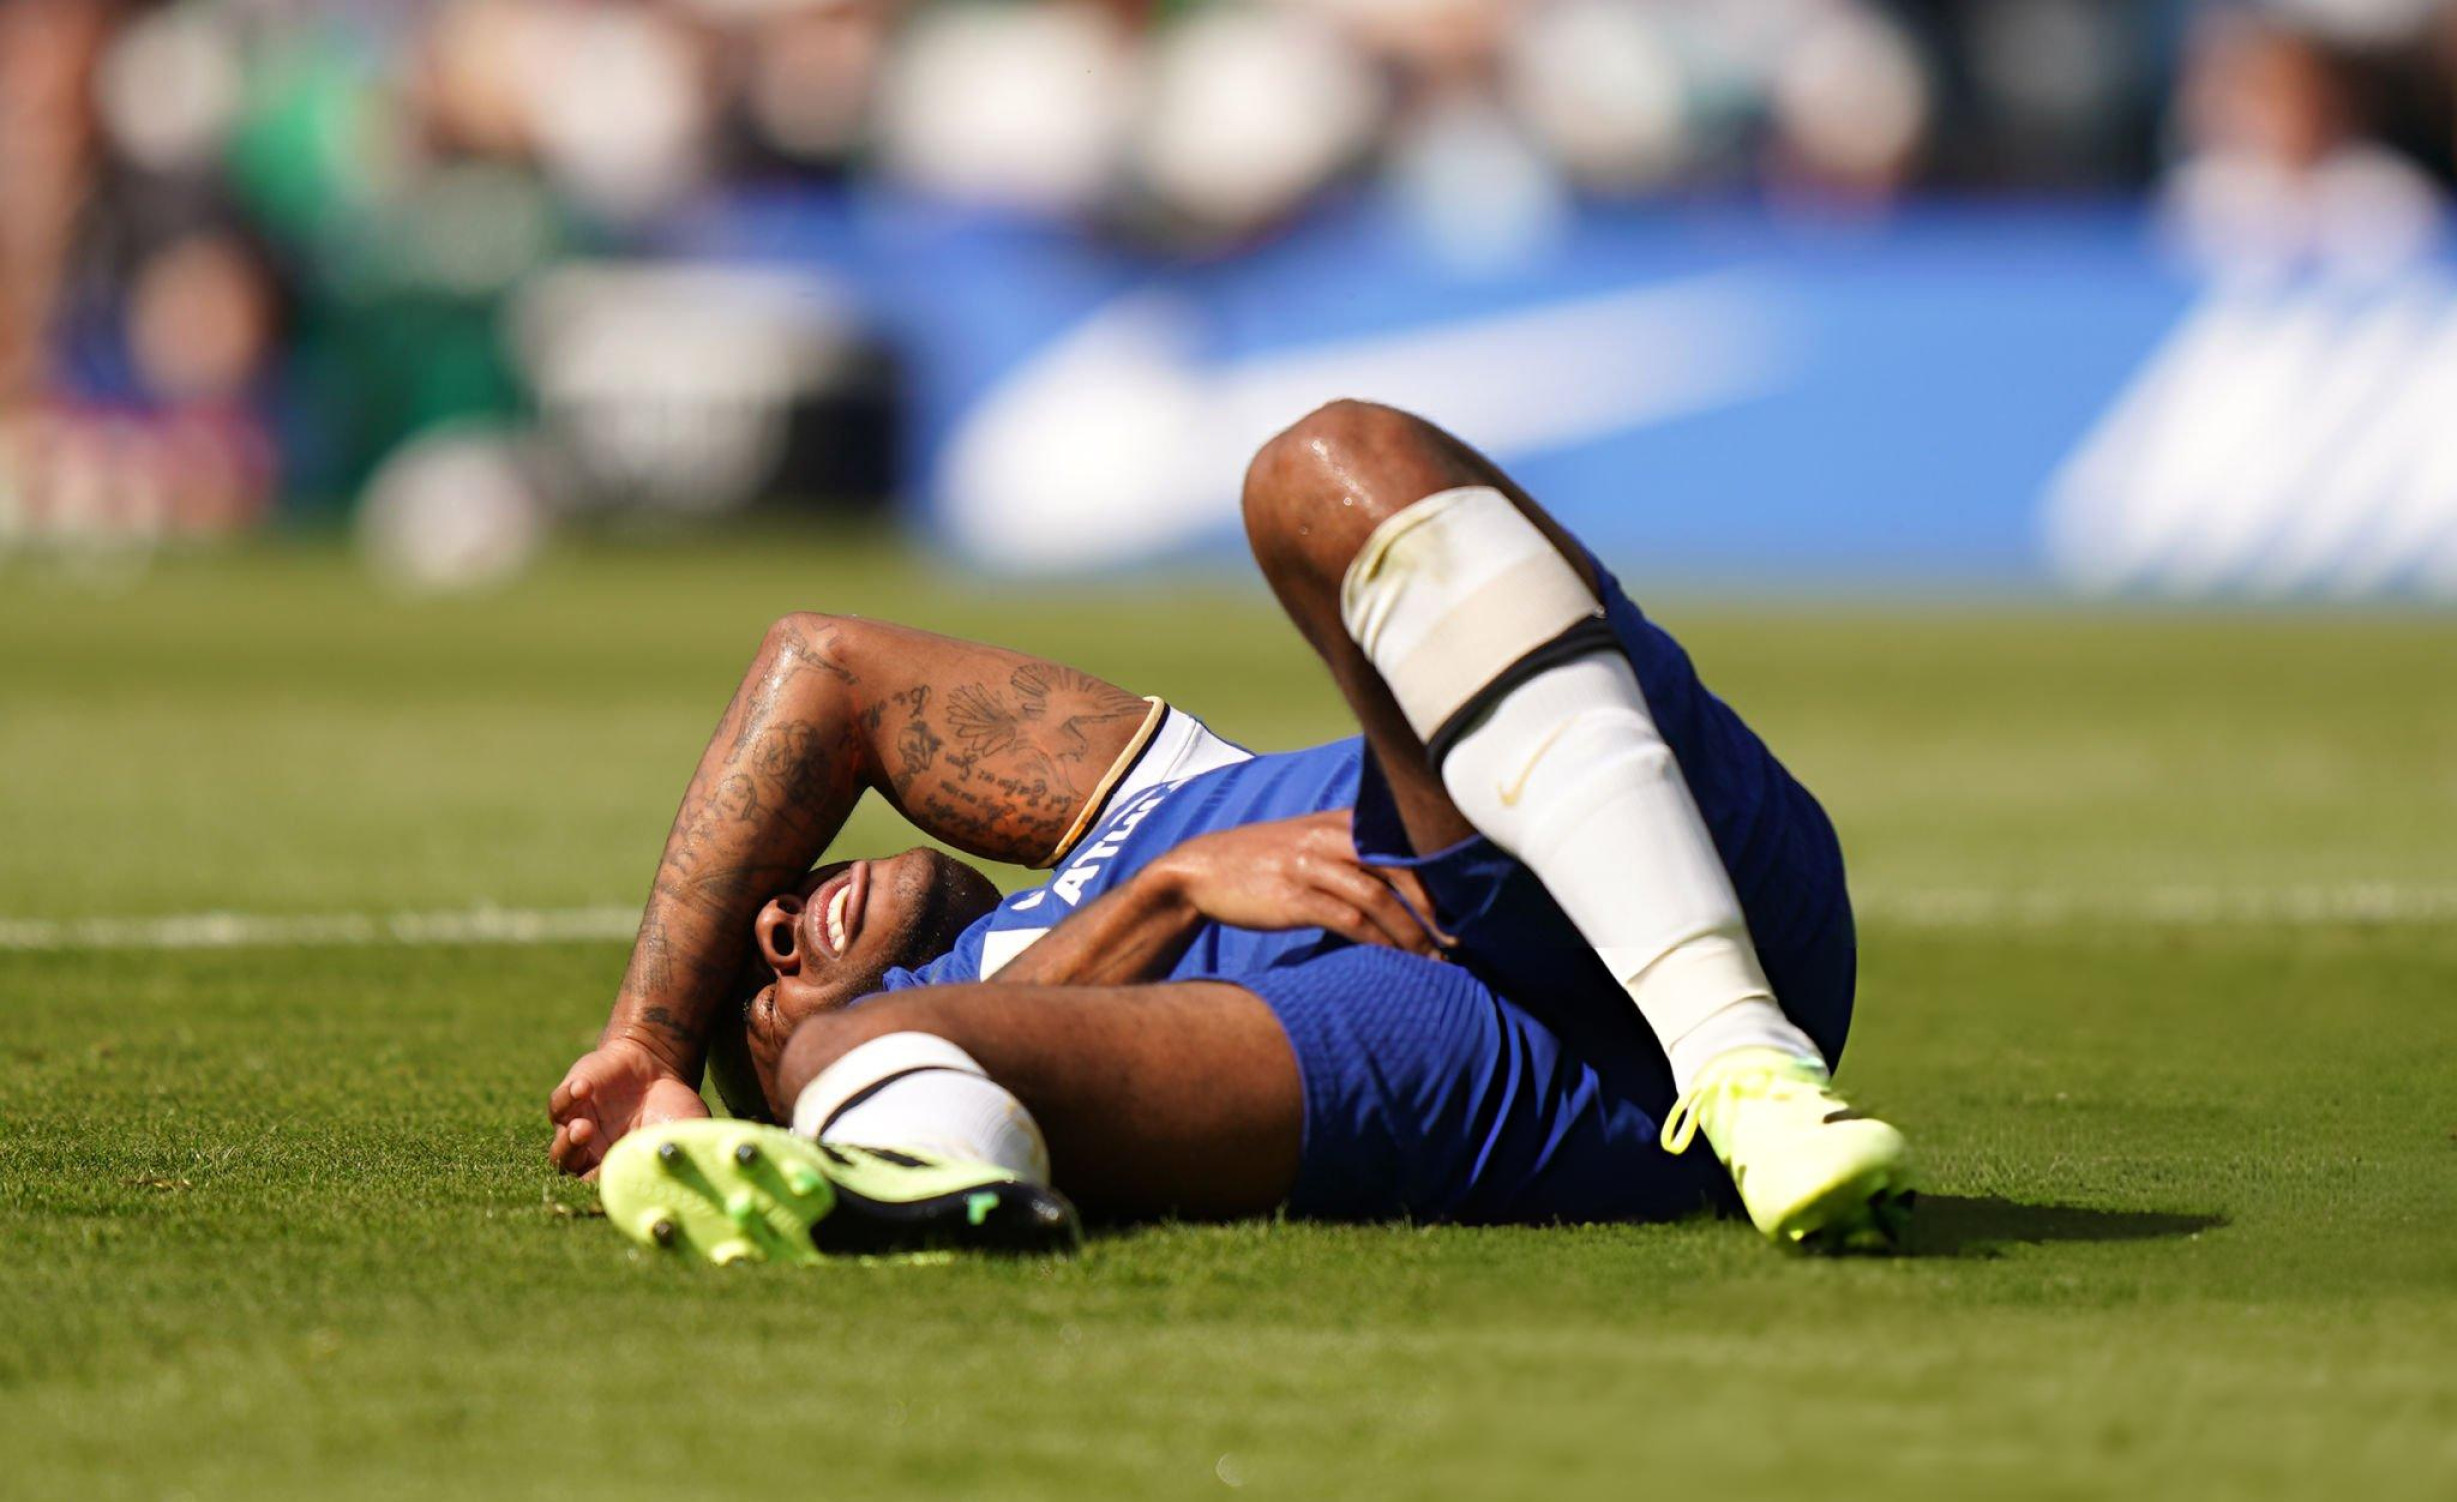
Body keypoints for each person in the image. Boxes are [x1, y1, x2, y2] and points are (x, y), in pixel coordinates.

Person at [552, 400, 1912, 1261]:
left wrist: (653, 1043)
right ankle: (906, 1190)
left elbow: (823, 667)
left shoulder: (1139, 798)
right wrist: (1169, 897)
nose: (775, 920)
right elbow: (883, 1047)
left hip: (1655, 860)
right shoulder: (962, 1005)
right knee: (855, 1050)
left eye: (770, 901)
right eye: (755, 996)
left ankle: (1744, 1060)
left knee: (1324, 466)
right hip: (1488, 1066)